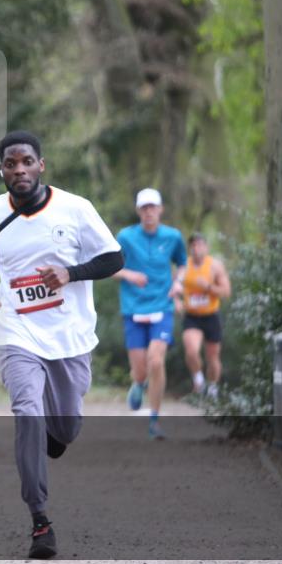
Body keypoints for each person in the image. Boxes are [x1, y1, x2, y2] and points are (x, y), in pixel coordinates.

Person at [0, 131, 123, 559]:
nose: (19, 170)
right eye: (10, 164)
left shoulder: (76, 209)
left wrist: (71, 273)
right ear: (2, 170)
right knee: (27, 412)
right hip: (16, 332)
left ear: (41, 165)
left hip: (69, 335)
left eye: (26, 162)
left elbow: (114, 258)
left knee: (66, 427)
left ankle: (56, 434)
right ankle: (40, 520)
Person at [111, 188, 186, 439]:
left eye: (152, 207)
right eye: (144, 208)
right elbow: (109, 266)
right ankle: (139, 382)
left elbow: (182, 264)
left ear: (160, 209)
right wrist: (129, 274)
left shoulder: (173, 236)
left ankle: (154, 420)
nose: (149, 212)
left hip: (162, 306)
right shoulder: (126, 236)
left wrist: (179, 283)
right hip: (133, 308)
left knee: (156, 361)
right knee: (141, 370)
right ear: (138, 211)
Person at [181, 233, 231, 399]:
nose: (197, 249)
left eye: (200, 245)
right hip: (192, 316)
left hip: (211, 316)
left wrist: (208, 287)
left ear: (206, 247)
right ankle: (199, 381)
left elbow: (226, 292)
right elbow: (172, 287)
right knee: (191, 351)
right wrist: (176, 302)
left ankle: (213, 388)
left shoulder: (215, 266)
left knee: (212, 357)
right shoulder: (183, 266)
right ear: (190, 248)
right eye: (193, 245)